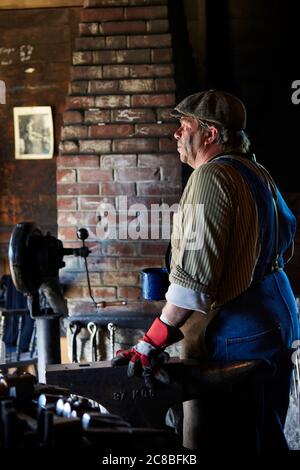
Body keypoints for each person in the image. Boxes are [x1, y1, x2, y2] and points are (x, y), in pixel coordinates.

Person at [112, 90, 299, 450]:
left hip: (238, 328)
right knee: (264, 432)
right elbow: (286, 241)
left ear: (210, 134)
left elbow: (192, 283)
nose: (177, 135)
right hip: (277, 313)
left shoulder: (210, 178)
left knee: (230, 438)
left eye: (184, 126)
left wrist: (150, 341)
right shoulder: (257, 171)